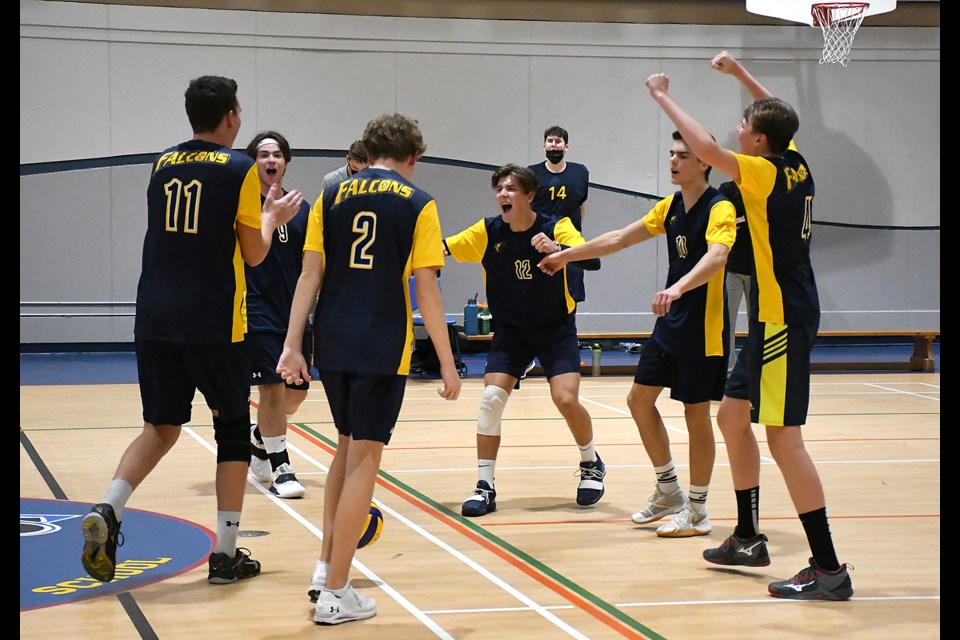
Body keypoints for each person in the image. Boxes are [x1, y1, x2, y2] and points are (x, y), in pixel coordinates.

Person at [80, 75, 303, 586]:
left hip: (155, 316)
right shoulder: (240, 169)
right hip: (215, 321)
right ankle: (225, 556)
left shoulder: (162, 164)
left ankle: (109, 509)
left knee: (160, 427)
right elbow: (255, 252)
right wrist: (270, 217)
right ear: (231, 117)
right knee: (230, 431)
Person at [645, 51, 853, 600]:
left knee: (785, 441)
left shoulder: (759, 173)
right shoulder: (795, 160)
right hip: (772, 313)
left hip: (783, 314)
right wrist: (740, 75)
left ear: (759, 141)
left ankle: (829, 569)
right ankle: (746, 537)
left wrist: (662, 97)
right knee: (733, 418)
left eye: (746, 123)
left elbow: (709, 149)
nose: (740, 125)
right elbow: (777, 118)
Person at [277, 113, 461, 625]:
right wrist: (448, 362)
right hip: (381, 343)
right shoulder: (420, 203)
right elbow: (426, 288)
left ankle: (324, 569)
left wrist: (293, 346)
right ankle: (337, 592)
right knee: (364, 460)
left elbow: (309, 275)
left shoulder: (331, 196)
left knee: (345, 446)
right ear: (413, 156)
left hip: (331, 339)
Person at [539, 132, 735, 538]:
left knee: (695, 414)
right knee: (638, 400)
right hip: (671, 321)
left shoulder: (720, 207)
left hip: (704, 326)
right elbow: (619, 239)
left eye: (683, 156)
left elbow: (717, 256)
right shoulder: (672, 206)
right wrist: (565, 255)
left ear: (704, 164)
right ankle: (669, 491)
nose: (674, 161)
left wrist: (679, 288)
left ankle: (697, 510)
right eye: (672, 154)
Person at [444, 164, 604, 518]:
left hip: (555, 328)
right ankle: (485, 486)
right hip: (511, 331)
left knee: (565, 399)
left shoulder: (556, 226)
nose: (504, 194)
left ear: (530, 195)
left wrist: (559, 249)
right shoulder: (487, 232)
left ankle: (591, 462)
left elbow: (592, 258)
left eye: (512, 189)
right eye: (500, 188)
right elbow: (442, 248)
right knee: (490, 400)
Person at [243, 130, 312, 499]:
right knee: (270, 387)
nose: (270, 160)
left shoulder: (303, 208)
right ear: (254, 162)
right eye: (262, 155)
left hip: (294, 315)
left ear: (286, 162)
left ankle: (260, 437)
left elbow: (313, 265)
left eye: (277, 155)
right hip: (256, 311)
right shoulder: (243, 208)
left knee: (295, 393)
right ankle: (281, 466)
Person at [528, 125, 591, 305]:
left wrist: (575, 234)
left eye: (558, 141)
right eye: (550, 141)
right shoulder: (532, 173)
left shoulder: (580, 172)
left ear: (566, 146)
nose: (554, 145)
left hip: (568, 245)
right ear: (544, 146)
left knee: (569, 299)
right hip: (540, 244)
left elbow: (582, 205)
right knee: (539, 298)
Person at [720, 179, 753, 376]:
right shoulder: (728, 189)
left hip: (757, 268)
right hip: (731, 267)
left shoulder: (760, 188)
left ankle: (754, 369)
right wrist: (744, 220)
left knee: (757, 323)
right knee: (727, 322)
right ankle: (728, 371)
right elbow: (724, 220)